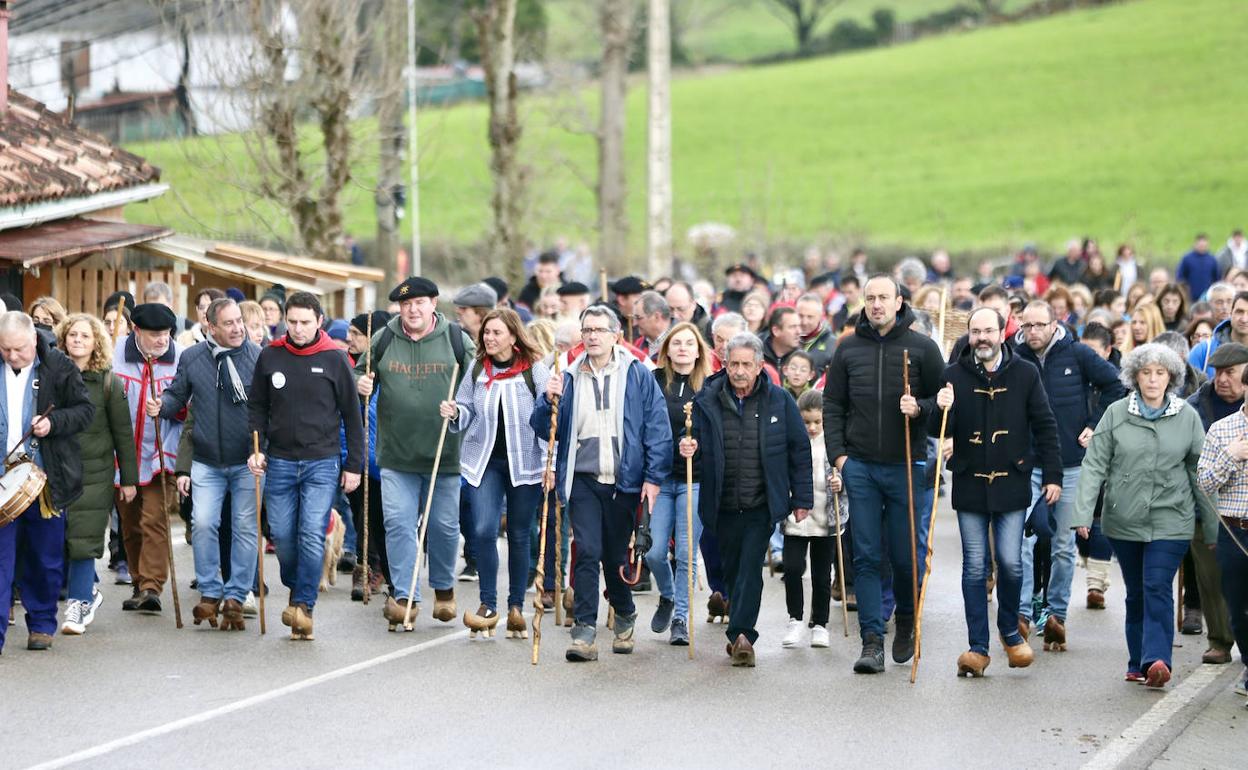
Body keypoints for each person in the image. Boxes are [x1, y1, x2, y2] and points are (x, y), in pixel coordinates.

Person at [531, 305, 671, 662]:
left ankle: (624, 613)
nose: (592, 336)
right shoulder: (567, 374)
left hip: (624, 480)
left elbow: (657, 428)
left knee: (613, 556)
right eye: (587, 330)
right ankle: (584, 632)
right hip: (583, 479)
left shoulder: (638, 374)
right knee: (588, 550)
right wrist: (548, 400)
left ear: (615, 336)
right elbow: (542, 426)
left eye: (599, 330)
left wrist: (653, 478)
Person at [1075, 343, 1217, 687]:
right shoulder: (1116, 412)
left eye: (1160, 373)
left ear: (1170, 378)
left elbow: (1200, 472)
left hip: (1172, 518)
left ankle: (1157, 660)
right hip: (1123, 519)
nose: (1153, 380)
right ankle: (1137, 661)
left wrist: (1212, 527)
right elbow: (1095, 464)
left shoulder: (1187, 416)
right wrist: (1082, 512)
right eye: (1146, 372)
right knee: (1137, 591)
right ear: (1134, 377)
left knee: (1156, 585)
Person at [823, 275, 945, 675]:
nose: (876, 304)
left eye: (883, 298)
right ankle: (871, 640)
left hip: (907, 465)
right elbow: (832, 406)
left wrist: (921, 409)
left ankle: (907, 618)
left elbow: (944, 407)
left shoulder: (922, 348)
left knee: (905, 556)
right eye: (870, 298)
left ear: (898, 302)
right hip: (860, 467)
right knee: (867, 556)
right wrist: (840, 458)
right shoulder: (847, 349)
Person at [933, 307, 1062, 676]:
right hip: (971, 481)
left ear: (1002, 333)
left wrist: (1052, 475)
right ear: (969, 335)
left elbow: (1045, 423)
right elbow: (939, 428)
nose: (982, 338)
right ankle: (977, 647)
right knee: (975, 567)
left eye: (988, 330)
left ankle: (1009, 632)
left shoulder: (1025, 372)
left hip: (1012, 480)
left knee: (1010, 561)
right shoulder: (953, 374)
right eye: (975, 332)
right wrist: (941, 408)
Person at [356, 277, 474, 630]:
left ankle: (443, 588)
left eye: (420, 303)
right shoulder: (385, 337)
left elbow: (477, 384)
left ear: (433, 304)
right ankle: (405, 596)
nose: (413, 309)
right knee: (398, 524)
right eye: (406, 304)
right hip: (396, 454)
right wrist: (362, 383)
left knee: (443, 526)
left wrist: (461, 409)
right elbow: (360, 372)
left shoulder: (456, 339)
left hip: (444, 453)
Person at [689, 333, 812, 666]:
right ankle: (738, 628)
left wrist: (801, 497)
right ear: (725, 364)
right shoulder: (708, 399)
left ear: (760, 366)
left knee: (749, 570)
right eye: (734, 364)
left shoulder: (779, 400)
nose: (739, 371)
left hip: (761, 503)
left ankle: (743, 635)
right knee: (731, 569)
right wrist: (688, 450)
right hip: (721, 502)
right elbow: (694, 446)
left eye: (746, 364)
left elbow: (798, 449)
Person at [249, 292, 364, 640]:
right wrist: (254, 448)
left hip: (322, 462)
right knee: (283, 536)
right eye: (292, 322)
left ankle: (303, 605)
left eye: (305, 322)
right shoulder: (271, 356)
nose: (298, 329)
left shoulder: (334, 358)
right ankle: (297, 585)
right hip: (280, 461)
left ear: (319, 321)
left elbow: (351, 415)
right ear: (285, 320)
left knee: (312, 533)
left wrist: (353, 464)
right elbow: (257, 407)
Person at [1011, 299, 1125, 650]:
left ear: (1054, 323)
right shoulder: (1013, 357)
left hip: (1072, 461)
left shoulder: (1076, 354)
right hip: (1026, 463)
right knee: (1023, 542)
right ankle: (1023, 614)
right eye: (1027, 326)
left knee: (1062, 544)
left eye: (1039, 325)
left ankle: (1057, 614)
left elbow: (1116, 388)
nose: (1033, 332)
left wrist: (1095, 425)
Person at [442, 309, 549, 640]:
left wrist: (551, 463)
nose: (489, 338)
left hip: (526, 462)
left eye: (496, 333)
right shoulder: (477, 368)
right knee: (484, 528)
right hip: (483, 459)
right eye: (486, 332)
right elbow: (466, 407)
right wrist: (455, 411)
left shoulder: (535, 370)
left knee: (518, 533)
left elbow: (551, 418)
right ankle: (488, 605)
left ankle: (515, 606)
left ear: (513, 337)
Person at [157, 298, 262, 631]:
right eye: (228, 323)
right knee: (202, 524)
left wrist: (264, 450)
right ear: (210, 327)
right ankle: (210, 592)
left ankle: (237, 593)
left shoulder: (258, 357)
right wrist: (161, 405)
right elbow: (177, 398)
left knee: (245, 528)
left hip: (247, 458)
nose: (237, 328)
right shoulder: (192, 358)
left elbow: (269, 408)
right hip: (206, 459)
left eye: (239, 321)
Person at [0, 312, 94, 652]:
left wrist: (53, 423)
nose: (12, 356)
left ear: (34, 341)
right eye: (5, 349)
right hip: (2, 478)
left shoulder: (58, 366)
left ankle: (41, 624)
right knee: (1, 559)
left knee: (44, 557)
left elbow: (85, 410)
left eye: (19, 350)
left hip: (44, 480)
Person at [54, 314, 137, 636]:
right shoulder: (51, 376)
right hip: (55, 471)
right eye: (72, 334)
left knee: (83, 539)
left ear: (96, 343)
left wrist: (128, 479)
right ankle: (85, 593)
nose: (77, 340)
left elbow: (122, 433)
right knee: (54, 540)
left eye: (84, 336)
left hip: (95, 473)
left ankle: (76, 604)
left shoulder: (108, 383)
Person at [113, 303, 185, 613]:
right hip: (124, 453)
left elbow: (189, 403)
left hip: (161, 450)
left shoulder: (182, 357)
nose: (162, 341)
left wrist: (170, 405)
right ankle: (138, 578)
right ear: (136, 331)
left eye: (167, 334)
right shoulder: (114, 354)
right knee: (130, 523)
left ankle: (151, 586)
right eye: (154, 335)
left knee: (154, 518)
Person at [643, 322, 712, 646]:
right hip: (659, 477)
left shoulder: (710, 387)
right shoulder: (654, 382)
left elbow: (718, 432)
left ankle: (682, 618)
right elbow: (643, 425)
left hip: (694, 479)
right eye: (676, 343)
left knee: (686, 553)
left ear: (699, 350)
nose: (683, 348)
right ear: (667, 349)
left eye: (689, 343)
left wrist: (698, 444)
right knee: (654, 552)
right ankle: (667, 595)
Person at [1182, 343, 1246, 665]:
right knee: (1215, 582)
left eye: (1230, 373)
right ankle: (1220, 640)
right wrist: (1231, 456)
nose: (1222, 379)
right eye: (1218, 372)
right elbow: (1199, 475)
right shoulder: (1197, 409)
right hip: (1212, 512)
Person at [1195, 364, 1248, 703]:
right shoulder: (1222, 430)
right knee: (1239, 608)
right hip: (1234, 530)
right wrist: (1232, 456)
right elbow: (1204, 482)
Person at [781, 389, 842, 650]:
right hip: (796, 516)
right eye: (807, 422)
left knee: (821, 574)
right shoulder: (791, 441)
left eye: (818, 422)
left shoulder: (834, 444)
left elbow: (847, 472)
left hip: (826, 517)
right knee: (793, 569)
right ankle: (795, 618)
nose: (813, 427)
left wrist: (841, 482)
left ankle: (820, 623)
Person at [1190, 290, 1248, 378]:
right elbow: (1186, 390)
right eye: (1239, 312)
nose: (1244, 319)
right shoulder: (1203, 350)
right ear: (1231, 313)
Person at [795, 292, 836, 377]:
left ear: (820, 316)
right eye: (800, 316)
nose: (804, 322)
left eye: (810, 317)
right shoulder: (785, 339)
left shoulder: (833, 344)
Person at [1176, 234, 1220, 303]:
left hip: (1207, 297)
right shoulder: (1187, 258)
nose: (1202, 247)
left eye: (1204, 246)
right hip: (1191, 298)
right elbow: (1180, 277)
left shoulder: (1212, 259)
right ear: (1195, 244)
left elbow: (1217, 278)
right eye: (1200, 245)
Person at [632, 290, 673, 358]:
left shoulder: (679, 345)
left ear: (656, 317)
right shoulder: (639, 343)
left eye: (638, 318)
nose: (634, 323)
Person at [762, 306, 801, 372]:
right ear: (776, 331)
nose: (799, 332)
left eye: (799, 326)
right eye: (792, 327)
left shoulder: (802, 359)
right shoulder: (757, 355)